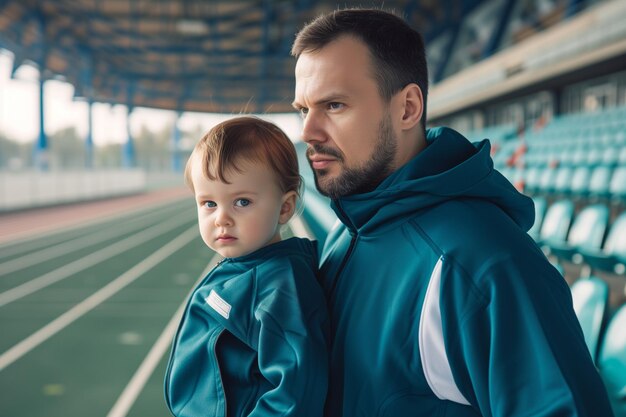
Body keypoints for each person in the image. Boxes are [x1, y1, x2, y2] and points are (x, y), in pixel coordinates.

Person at [291, 8, 613, 417]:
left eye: (333, 105)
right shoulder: (349, 230)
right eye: (304, 109)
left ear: (407, 108)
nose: (308, 132)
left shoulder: (485, 262)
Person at [164, 116, 329, 417]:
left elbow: (294, 395)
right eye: (209, 204)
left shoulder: (281, 286)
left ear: (285, 207)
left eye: (241, 202)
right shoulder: (245, 267)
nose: (221, 218)